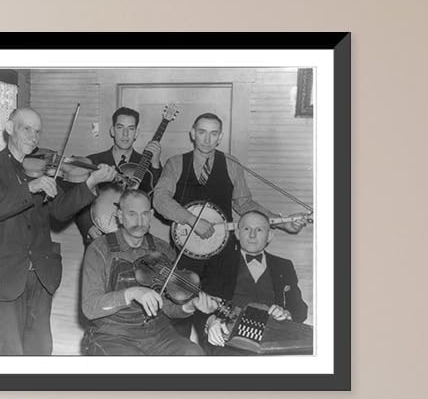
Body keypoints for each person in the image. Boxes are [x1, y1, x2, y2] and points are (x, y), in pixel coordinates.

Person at [0, 107, 117, 355]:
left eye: (37, 131)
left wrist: (90, 182)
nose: (33, 136)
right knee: (10, 353)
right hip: (3, 278)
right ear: (9, 128)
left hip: (40, 276)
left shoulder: (43, 169)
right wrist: (29, 189)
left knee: (40, 349)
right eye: (26, 128)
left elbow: (59, 211)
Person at [151, 111, 282, 334]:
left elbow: (244, 204)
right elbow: (160, 199)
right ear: (192, 133)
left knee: (216, 318)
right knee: (179, 319)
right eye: (201, 132)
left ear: (220, 136)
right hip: (185, 255)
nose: (207, 139)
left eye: (213, 134)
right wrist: (192, 221)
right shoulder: (176, 163)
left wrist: (279, 221)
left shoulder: (231, 164)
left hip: (222, 258)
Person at [81, 190, 217, 356]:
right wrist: (131, 293)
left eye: (145, 214)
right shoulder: (100, 249)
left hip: (157, 335)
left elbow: (167, 308)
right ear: (119, 215)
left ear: (151, 214)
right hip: (112, 335)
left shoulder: (162, 249)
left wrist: (188, 307)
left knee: (193, 354)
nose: (139, 221)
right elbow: (89, 307)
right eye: (132, 214)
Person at [202, 210, 309, 353]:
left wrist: (287, 314)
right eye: (247, 229)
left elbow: (300, 307)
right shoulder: (217, 263)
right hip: (229, 341)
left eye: (259, 230)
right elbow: (201, 304)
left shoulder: (284, 266)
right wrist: (210, 322)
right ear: (237, 234)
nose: (252, 235)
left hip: (273, 340)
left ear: (269, 236)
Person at [73, 107, 162, 247]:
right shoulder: (93, 161)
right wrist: (88, 226)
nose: (125, 134)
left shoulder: (147, 165)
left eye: (131, 128)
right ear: (112, 130)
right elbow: (78, 199)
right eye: (120, 127)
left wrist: (155, 164)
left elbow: (157, 198)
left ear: (136, 133)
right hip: (99, 235)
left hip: (135, 238)